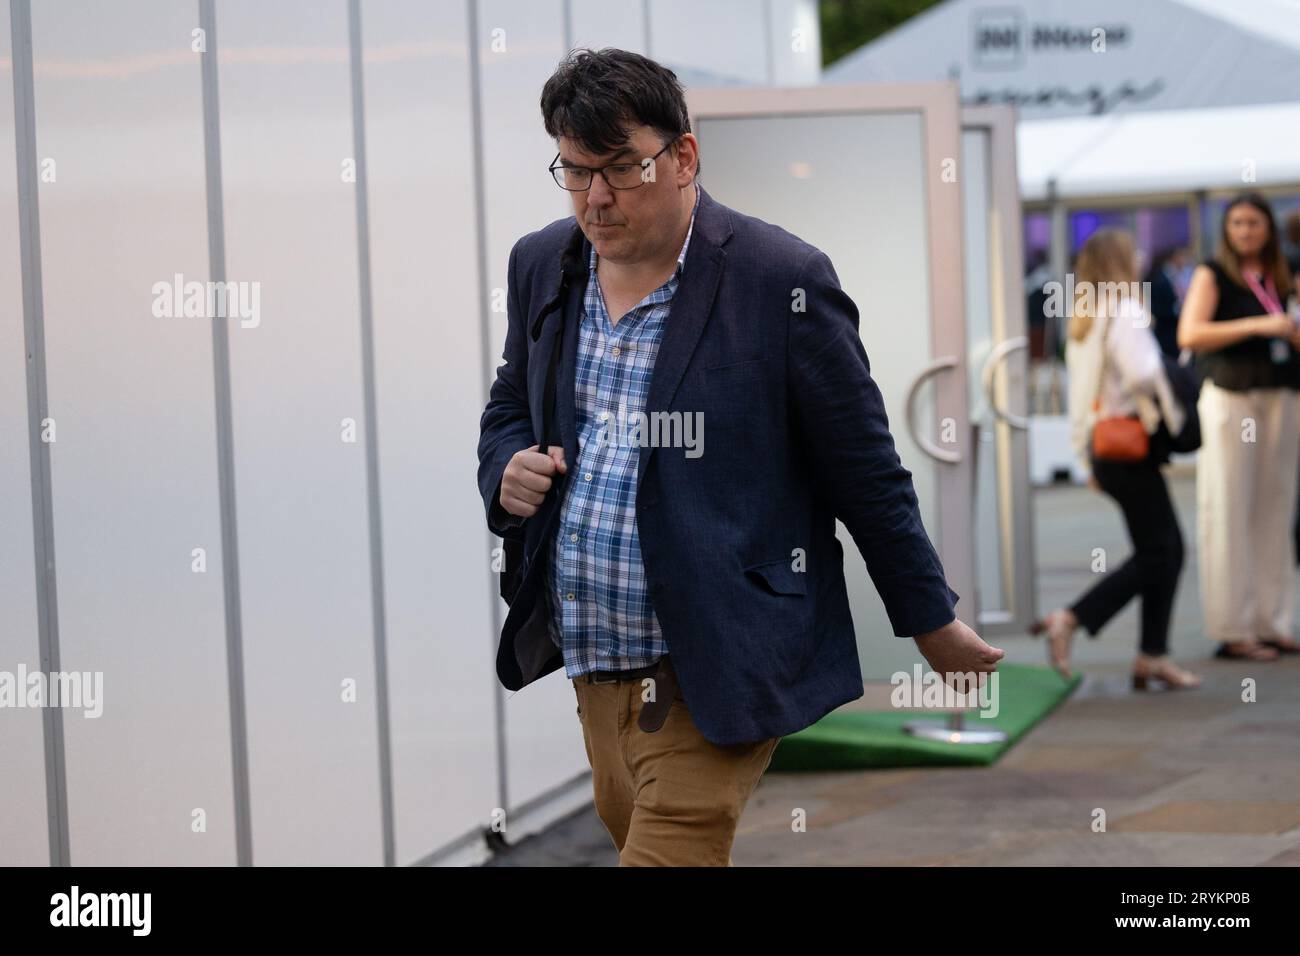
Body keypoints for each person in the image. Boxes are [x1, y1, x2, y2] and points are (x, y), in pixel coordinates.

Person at [476, 48, 1002, 867]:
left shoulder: (780, 279)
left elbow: (864, 471)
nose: (597, 197)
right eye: (575, 172)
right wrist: (506, 469)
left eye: (621, 167)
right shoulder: (542, 262)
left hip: (717, 655)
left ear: (683, 155)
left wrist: (930, 622)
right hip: (591, 654)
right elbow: (510, 401)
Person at [1032, 229, 1200, 689]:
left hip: (1106, 449)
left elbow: (1083, 392)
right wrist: (1169, 384)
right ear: (1121, 262)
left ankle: (1152, 655)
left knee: (1166, 549)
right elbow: (1143, 371)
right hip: (1129, 446)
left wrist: (1083, 454)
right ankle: (1071, 619)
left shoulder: (1085, 314)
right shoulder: (1124, 309)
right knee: (1159, 551)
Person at [1178, 193, 1300, 660]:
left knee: (1276, 508)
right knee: (1229, 509)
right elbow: (1190, 334)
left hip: (1281, 395)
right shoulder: (1214, 273)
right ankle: (1234, 627)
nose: (1245, 231)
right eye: (1237, 223)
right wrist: (1255, 325)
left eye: (1253, 222)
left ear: (1268, 227)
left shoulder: (1284, 272)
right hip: (1231, 396)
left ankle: (1274, 619)